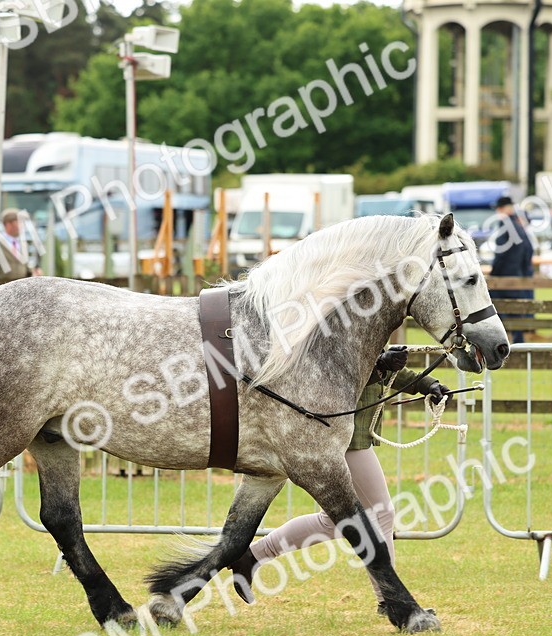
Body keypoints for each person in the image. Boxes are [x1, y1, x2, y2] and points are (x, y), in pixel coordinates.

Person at [228, 347, 447, 613]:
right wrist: (381, 366)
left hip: (350, 436)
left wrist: (427, 384)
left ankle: (252, 556)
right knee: (381, 515)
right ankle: (390, 601)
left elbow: (377, 362)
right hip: (344, 437)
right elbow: (342, 369)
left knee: (331, 521)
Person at [488, 196, 535, 345]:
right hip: (518, 274)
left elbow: (500, 253)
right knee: (515, 311)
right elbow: (529, 249)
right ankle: (517, 340)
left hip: (505, 275)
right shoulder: (518, 225)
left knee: (491, 306)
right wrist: (524, 269)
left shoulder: (505, 224)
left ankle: (498, 341)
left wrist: (494, 273)